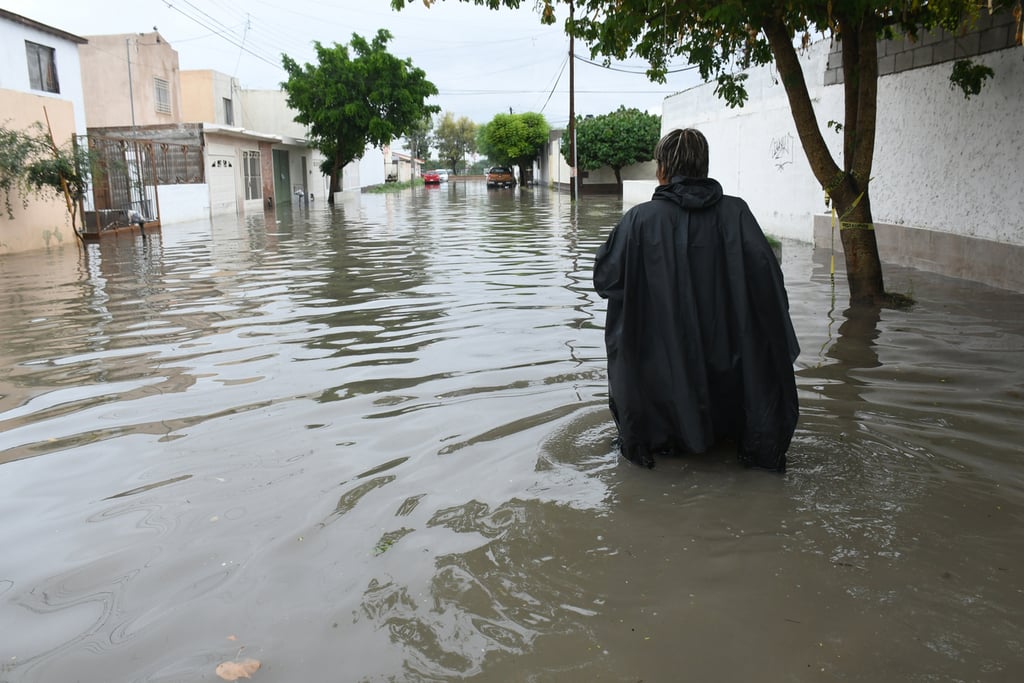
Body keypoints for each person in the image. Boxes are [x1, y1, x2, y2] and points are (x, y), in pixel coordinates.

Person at [593, 128, 799, 471]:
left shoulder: (639, 221)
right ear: (703, 167)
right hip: (730, 367)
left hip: (662, 375)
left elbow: (606, 280)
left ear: (662, 169)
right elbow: (769, 283)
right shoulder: (737, 215)